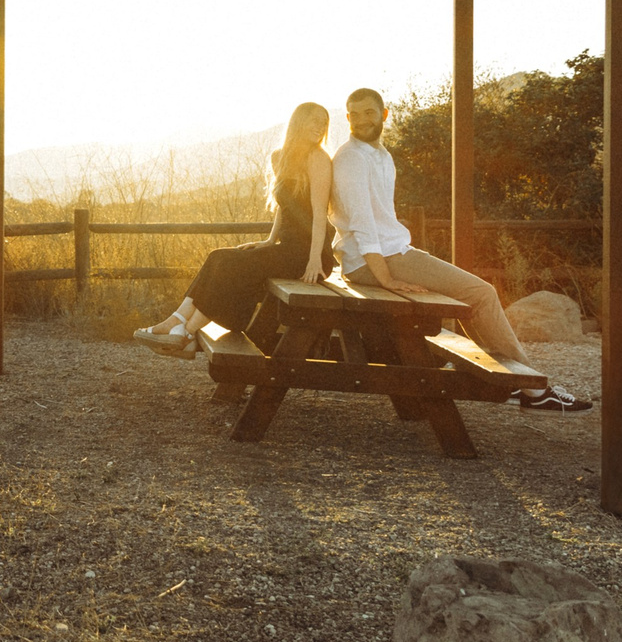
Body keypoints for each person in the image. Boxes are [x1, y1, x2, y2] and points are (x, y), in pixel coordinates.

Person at [327, 86, 592, 411]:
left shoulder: (380, 155)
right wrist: (386, 279)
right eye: (353, 114)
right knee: (480, 293)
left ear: (383, 114)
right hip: (378, 261)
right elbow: (362, 226)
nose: (360, 120)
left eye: (368, 112)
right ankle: (533, 389)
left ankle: (505, 377)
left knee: (468, 297)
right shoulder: (352, 159)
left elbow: (379, 221)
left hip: (392, 253)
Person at [134, 102, 336, 360]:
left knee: (233, 267)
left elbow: (320, 213)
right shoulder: (280, 157)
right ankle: (176, 322)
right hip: (287, 248)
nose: (320, 127)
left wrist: (315, 258)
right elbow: (284, 208)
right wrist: (269, 240)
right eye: (314, 120)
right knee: (219, 256)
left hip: (311, 256)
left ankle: (185, 334)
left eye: (324, 122)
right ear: (298, 122)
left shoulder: (318, 158)